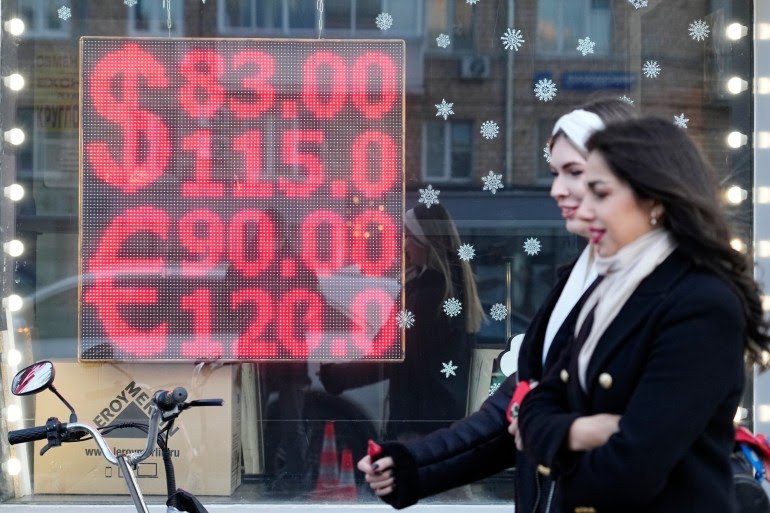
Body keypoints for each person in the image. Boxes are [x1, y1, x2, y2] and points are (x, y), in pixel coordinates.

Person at [357, 98, 636, 512]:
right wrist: (411, 466)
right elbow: (507, 415)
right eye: (556, 172)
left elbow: (660, 436)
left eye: (574, 172)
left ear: (626, 171)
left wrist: (548, 429)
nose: (557, 189)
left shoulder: (674, 288)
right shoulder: (573, 283)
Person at [518, 117, 770, 513]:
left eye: (599, 194)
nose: (584, 212)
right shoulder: (611, 286)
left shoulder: (701, 302)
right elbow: (536, 404)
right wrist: (581, 431)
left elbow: (632, 467)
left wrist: (558, 452)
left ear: (654, 200)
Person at [320, 202, 485, 441]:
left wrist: (336, 377)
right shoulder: (451, 289)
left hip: (417, 422)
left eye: (407, 235)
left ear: (423, 241)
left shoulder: (425, 296)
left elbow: (393, 357)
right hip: (443, 417)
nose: (403, 243)